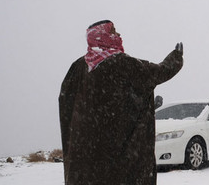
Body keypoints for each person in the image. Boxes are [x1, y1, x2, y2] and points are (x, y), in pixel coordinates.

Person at [59, 20, 184, 185]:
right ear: (104, 37)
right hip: (117, 155)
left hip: (86, 159)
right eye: (114, 32)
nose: (119, 35)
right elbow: (158, 72)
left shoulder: (78, 68)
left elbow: (65, 100)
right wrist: (175, 57)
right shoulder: (122, 63)